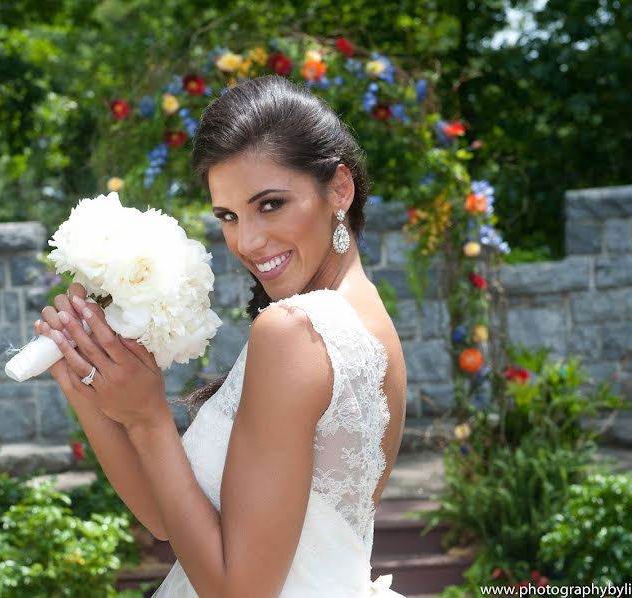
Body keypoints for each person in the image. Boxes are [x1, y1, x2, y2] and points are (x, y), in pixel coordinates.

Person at [35, 75, 408, 597]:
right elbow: (168, 519)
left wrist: (148, 417)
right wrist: (83, 373)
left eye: (271, 204)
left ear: (339, 188)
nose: (248, 241)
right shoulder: (366, 323)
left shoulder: (297, 332)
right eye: (229, 216)